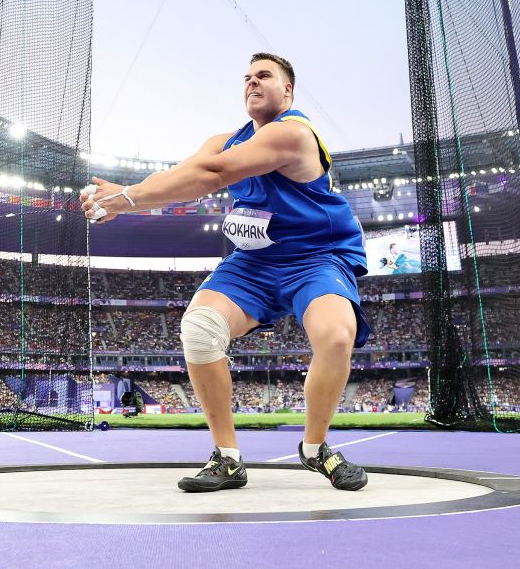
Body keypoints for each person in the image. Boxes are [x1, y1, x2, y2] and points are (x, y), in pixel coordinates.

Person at [83, 53, 369, 492]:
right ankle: (228, 458)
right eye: (248, 77)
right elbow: (186, 173)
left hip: (316, 256)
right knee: (198, 328)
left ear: (287, 91)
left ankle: (315, 448)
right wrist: (125, 194)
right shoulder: (223, 139)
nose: (252, 82)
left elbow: (213, 175)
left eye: (265, 76)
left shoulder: (294, 134)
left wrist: (126, 199)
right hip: (255, 261)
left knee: (334, 336)